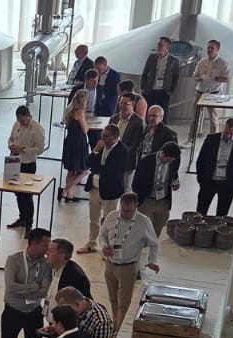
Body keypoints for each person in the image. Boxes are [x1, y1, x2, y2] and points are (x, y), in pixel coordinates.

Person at [99, 193, 161, 333]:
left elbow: (154, 243)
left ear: (136, 206)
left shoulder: (143, 221)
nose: (125, 214)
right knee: (113, 298)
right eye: (123, 210)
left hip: (128, 266)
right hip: (110, 264)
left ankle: (119, 331)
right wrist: (104, 246)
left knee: (124, 302)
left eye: (129, 211)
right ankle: (116, 324)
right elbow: (102, 234)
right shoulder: (112, 216)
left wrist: (152, 261)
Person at [80, 123, 132, 253]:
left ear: (115, 137)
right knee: (93, 218)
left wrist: (97, 167)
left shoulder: (123, 150)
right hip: (94, 187)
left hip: (110, 190)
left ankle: (107, 246)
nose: (102, 138)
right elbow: (88, 163)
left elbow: (113, 171)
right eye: (102, 135)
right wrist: (96, 150)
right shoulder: (100, 146)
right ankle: (92, 242)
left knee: (110, 220)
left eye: (105, 136)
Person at [195, 116, 233, 215]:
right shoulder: (211, 139)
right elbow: (201, 160)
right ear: (224, 127)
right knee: (201, 211)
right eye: (226, 131)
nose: (228, 135)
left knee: (222, 214)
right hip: (209, 181)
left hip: (227, 184)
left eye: (231, 132)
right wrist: (201, 180)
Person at [5, 107, 45, 230]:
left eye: (23, 121)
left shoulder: (37, 129)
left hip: (28, 163)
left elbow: (40, 149)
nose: (21, 123)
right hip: (14, 161)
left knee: (27, 194)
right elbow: (11, 138)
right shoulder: (17, 124)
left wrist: (23, 149)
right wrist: (11, 145)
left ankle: (29, 223)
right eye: (19, 120)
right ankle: (22, 217)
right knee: (17, 192)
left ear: (29, 116)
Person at [133, 142, 180, 236]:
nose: (170, 162)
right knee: (144, 230)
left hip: (163, 202)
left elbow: (174, 174)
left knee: (158, 230)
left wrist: (176, 183)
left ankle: (155, 245)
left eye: (172, 160)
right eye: (168, 159)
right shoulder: (145, 161)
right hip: (147, 201)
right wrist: (139, 201)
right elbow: (136, 183)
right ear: (162, 153)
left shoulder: (173, 162)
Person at [60, 89, 90, 203]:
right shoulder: (79, 112)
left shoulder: (69, 109)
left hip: (70, 141)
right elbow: (85, 129)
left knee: (71, 170)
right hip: (78, 143)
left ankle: (69, 195)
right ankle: (65, 190)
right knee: (84, 170)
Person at [140, 34, 181, 114]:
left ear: (167, 47)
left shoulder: (173, 60)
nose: (158, 47)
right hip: (150, 90)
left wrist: (171, 90)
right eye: (158, 44)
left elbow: (175, 77)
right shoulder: (152, 57)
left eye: (161, 45)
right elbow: (145, 73)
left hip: (164, 91)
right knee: (148, 113)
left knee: (163, 114)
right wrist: (143, 88)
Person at [44, 237, 91, 301]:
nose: (46, 253)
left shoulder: (76, 278)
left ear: (62, 255)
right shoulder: (52, 267)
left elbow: (82, 303)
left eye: (50, 251)